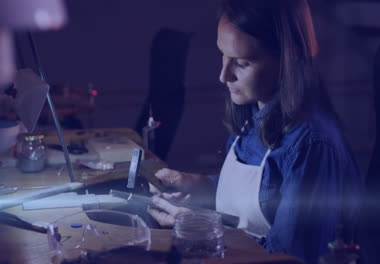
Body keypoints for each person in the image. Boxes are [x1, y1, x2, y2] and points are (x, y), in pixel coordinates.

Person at [146, 1, 362, 263]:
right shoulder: (254, 112)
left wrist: (200, 228)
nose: (223, 76)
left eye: (242, 63)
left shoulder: (311, 144)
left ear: (287, 59)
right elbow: (262, 197)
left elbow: (290, 257)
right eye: (222, 56)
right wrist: (198, 185)